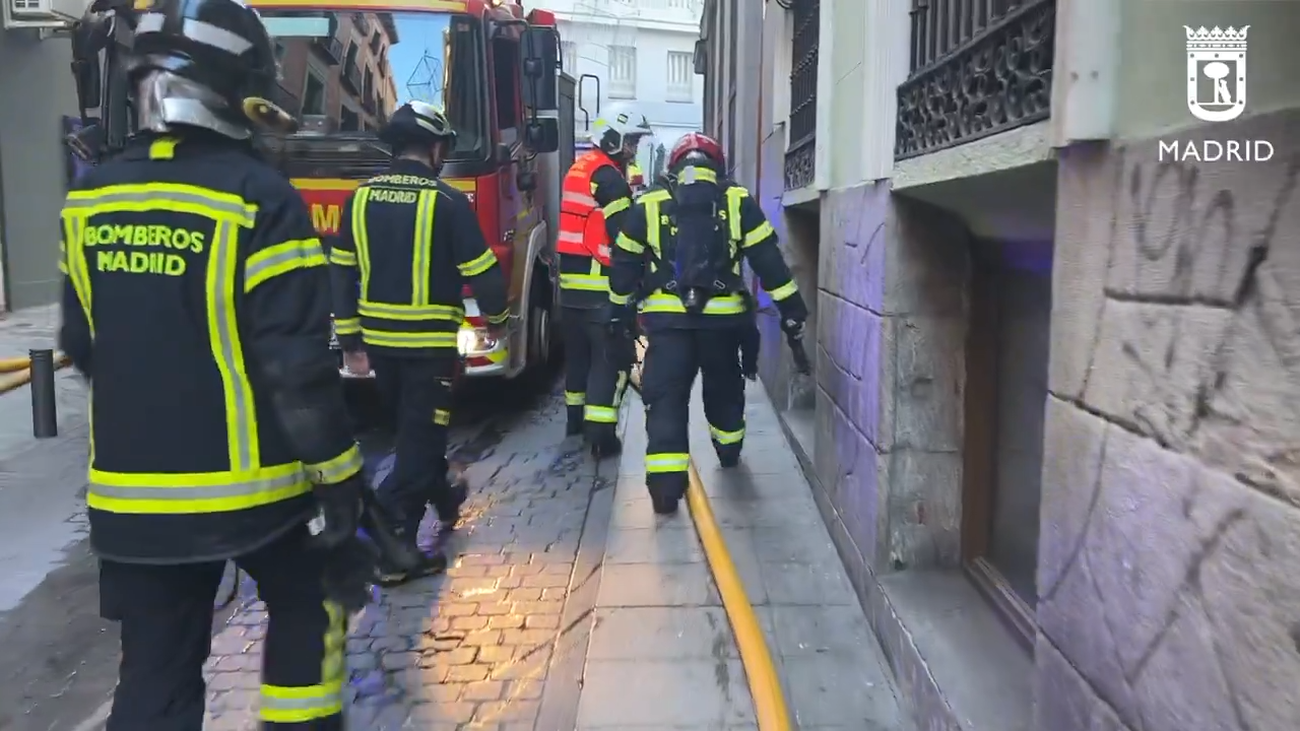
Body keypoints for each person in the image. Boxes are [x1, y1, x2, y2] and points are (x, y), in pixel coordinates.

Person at [57, 0, 373, 727]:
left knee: (154, 672)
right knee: (310, 602)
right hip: (253, 495)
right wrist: (342, 481)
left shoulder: (89, 198)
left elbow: (82, 346)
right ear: (242, 87)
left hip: (130, 500)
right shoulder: (259, 196)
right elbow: (297, 371)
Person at [328, 101, 510, 583]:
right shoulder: (446, 202)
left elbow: (341, 274)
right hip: (429, 350)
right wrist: (499, 319)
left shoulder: (359, 200)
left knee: (413, 434)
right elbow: (485, 274)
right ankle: (390, 542)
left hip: (379, 347)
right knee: (421, 439)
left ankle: (445, 498)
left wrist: (350, 341)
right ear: (435, 148)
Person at [606, 133, 809, 514]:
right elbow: (769, 262)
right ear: (718, 165)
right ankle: (728, 450)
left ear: (674, 166)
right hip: (724, 326)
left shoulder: (648, 202)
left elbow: (623, 265)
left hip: (667, 327)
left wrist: (618, 314)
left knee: (665, 402)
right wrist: (792, 308)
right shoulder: (736, 201)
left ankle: (665, 492)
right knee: (723, 390)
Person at [557, 102, 651, 456]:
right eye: (630, 142)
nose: (633, 149)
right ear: (612, 139)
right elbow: (625, 236)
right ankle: (601, 438)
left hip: (571, 290)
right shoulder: (609, 178)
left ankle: (575, 424)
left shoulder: (579, 169)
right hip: (600, 290)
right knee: (608, 362)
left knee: (578, 361)